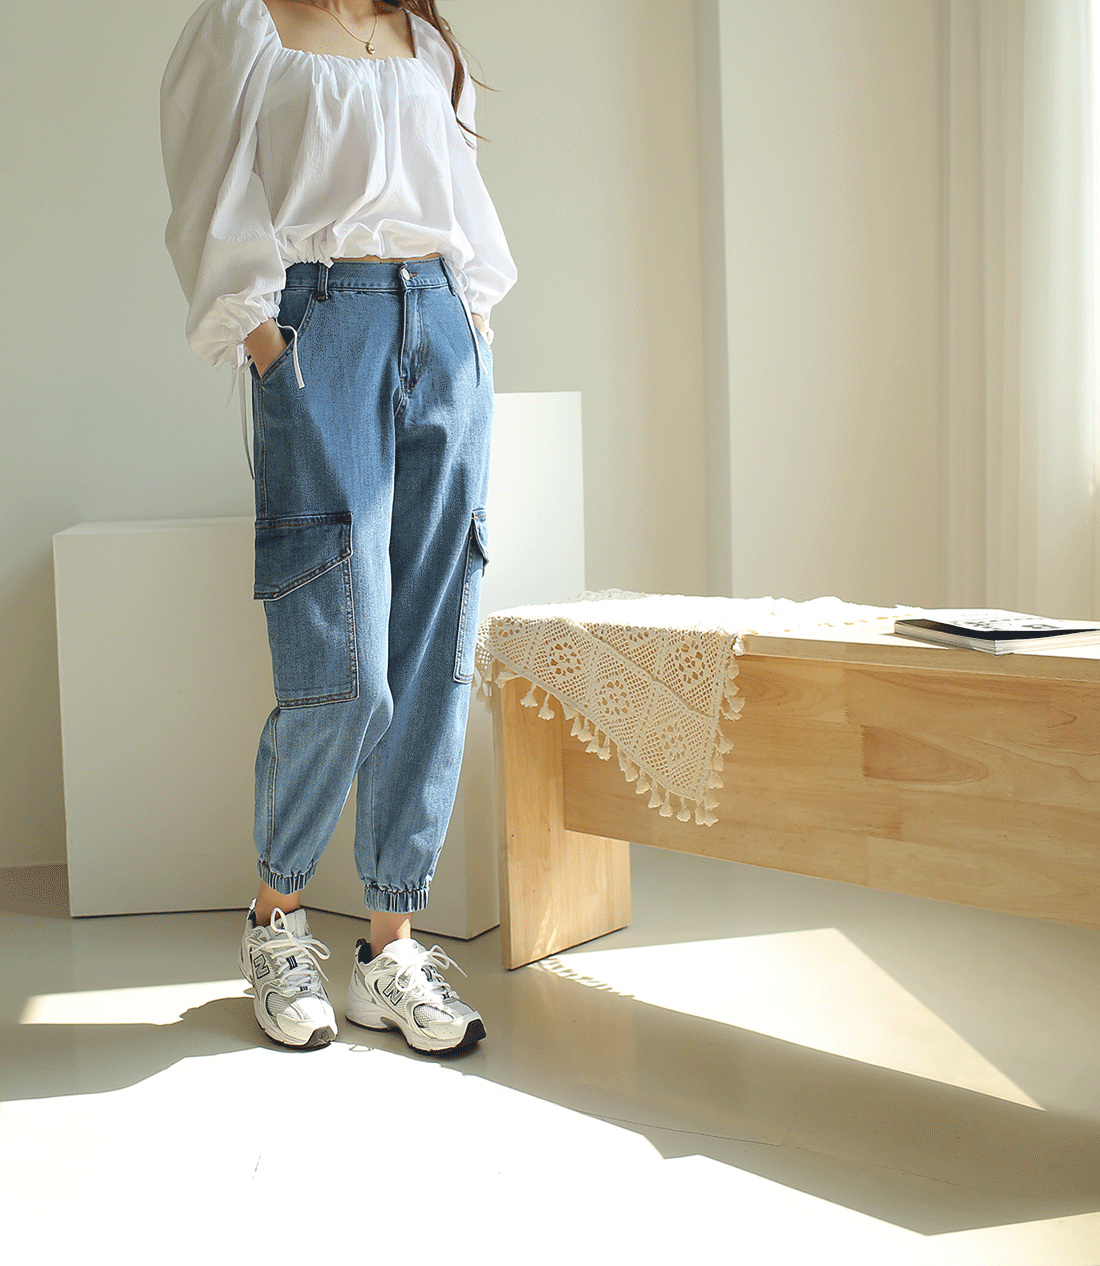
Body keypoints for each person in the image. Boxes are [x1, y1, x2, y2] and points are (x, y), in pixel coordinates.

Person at [161, 0, 516, 1054]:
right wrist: (267, 341)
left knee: (433, 643)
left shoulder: (424, 39)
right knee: (342, 659)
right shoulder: (246, 22)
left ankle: (388, 948)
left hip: (443, 328)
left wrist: (471, 330)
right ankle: (274, 921)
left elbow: (462, 201)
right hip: (322, 330)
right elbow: (205, 193)